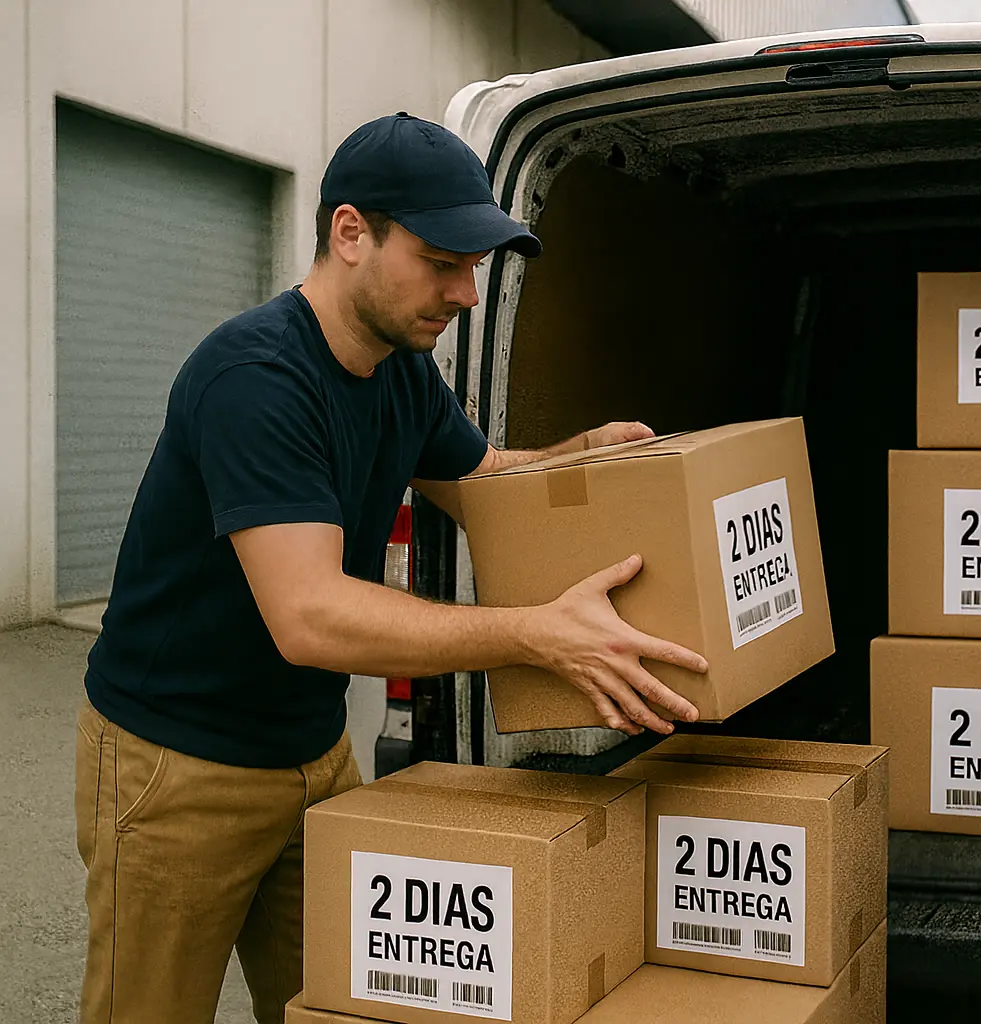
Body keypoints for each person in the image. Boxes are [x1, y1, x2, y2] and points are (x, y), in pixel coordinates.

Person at [73, 112, 706, 1024]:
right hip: (178, 765)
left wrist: (580, 458)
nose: (466, 294)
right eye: (443, 262)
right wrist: (535, 636)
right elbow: (310, 616)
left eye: (473, 267)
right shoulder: (255, 378)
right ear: (350, 233)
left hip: (313, 753)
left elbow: (482, 479)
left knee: (341, 1006)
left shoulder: (401, 368)